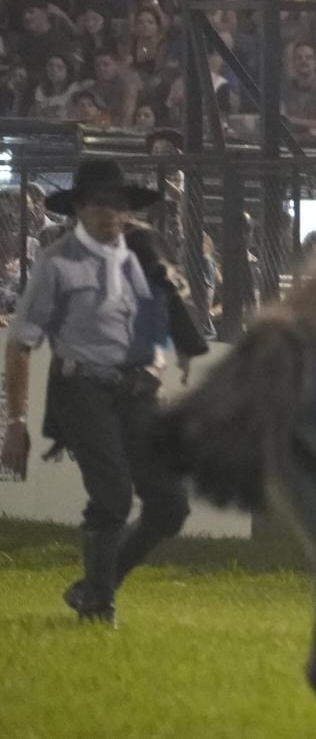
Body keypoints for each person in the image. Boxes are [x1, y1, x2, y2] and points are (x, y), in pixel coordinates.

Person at [0, 161, 209, 624]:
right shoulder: (57, 264)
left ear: (128, 210)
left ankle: (97, 583)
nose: (109, 213)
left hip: (141, 392)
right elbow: (19, 346)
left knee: (170, 505)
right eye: (97, 203)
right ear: (78, 209)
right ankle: (98, 608)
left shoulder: (145, 255)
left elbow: (172, 305)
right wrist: (16, 423)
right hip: (84, 389)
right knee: (112, 497)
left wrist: (182, 352)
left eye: (117, 204)